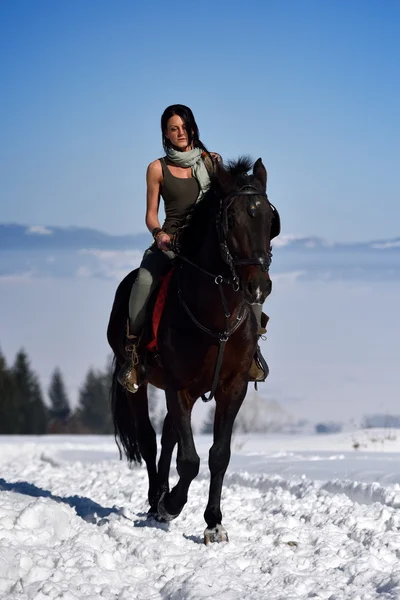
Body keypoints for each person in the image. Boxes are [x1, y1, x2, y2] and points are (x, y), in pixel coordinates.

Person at [118, 104, 268, 393]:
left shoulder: (210, 163)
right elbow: (150, 214)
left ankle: (251, 352)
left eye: (185, 127)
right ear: (166, 133)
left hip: (205, 244)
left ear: (193, 128)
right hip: (171, 242)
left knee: (249, 282)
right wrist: (158, 233)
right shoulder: (156, 168)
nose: (181, 133)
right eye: (174, 129)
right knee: (143, 282)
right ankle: (135, 354)